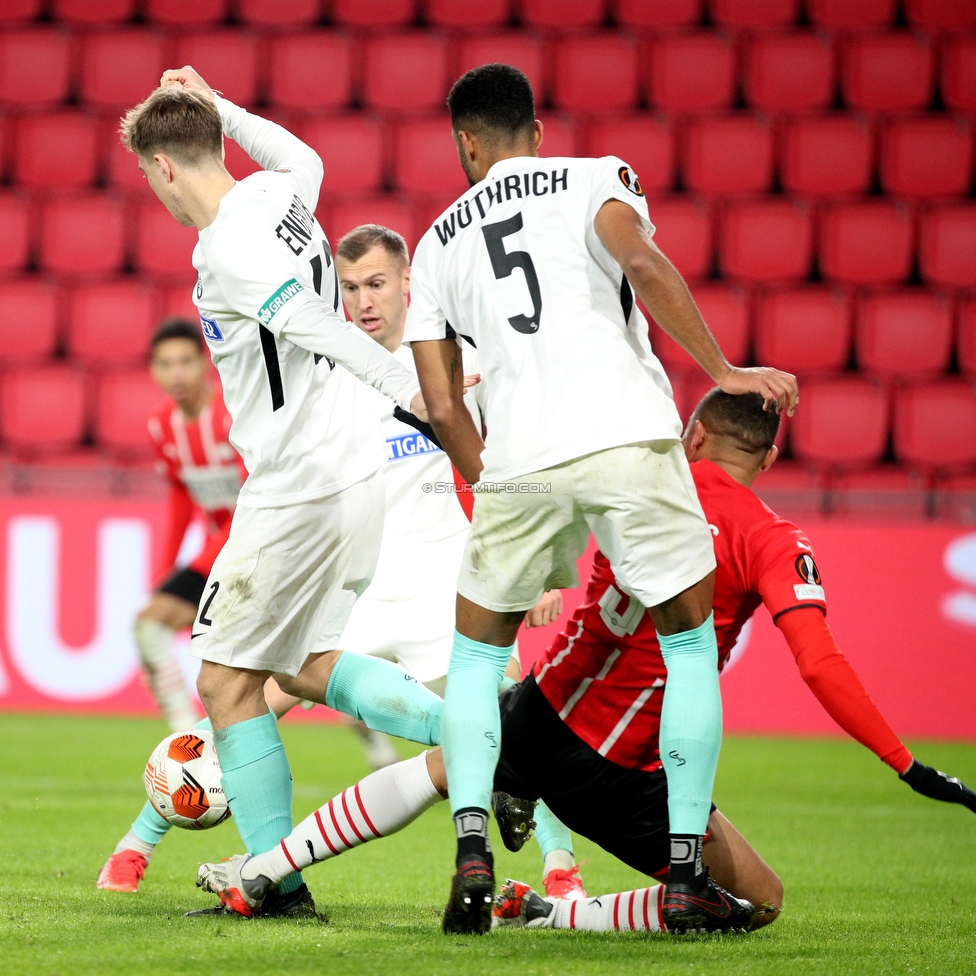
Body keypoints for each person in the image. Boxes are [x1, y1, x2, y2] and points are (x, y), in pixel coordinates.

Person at [195, 391, 976, 933]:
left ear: (693, 436)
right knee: (758, 901)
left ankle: (266, 869)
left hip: (545, 706)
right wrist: (905, 764)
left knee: (448, 764)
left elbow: (518, 486)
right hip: (627, 769)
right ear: (766, 460)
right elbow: (820, 664)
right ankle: (553, 911)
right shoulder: (773, 538)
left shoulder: (631, 480)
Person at [404, 63, 799, 932]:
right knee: (690, 646)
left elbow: (438, 403)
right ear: (536, 132)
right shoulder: (595, 177)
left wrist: (490, 480)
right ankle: (687, 870)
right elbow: (643, 262)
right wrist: (724, 370)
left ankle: (472, 849)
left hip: (522, 457)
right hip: (626, 435)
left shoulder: (434, 243)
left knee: (474, 661)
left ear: (466, 144)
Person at [119, 67, 447, 917]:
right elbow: (304, 156)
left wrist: (409, 393)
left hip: (296, 484)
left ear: (161, 169)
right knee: (303, 668)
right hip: (353, 473)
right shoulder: (273, 195)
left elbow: (309, 322)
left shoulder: (229, 246)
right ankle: (483, 741)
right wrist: (220, 105)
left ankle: (275, 880)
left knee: (225, 683)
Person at [133, 317, 245, 734]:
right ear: (153, 371)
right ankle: (183, 736)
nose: (176, 373)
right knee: (149, 625)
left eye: (184, 361)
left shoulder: (233, 415)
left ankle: (378, 748)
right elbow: (181, 498)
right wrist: (164, 571)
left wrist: (210, 555)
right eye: (165, 364)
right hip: (221, 551)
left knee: (302, 665)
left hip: (259, 546)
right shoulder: (161, 426)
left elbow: (256, 495)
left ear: (205, 363)